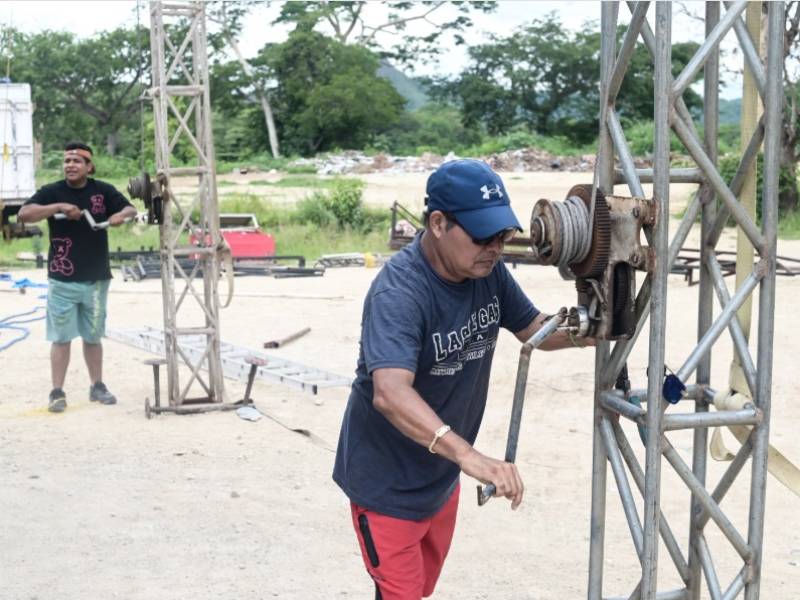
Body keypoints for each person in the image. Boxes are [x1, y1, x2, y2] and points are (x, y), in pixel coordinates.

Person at [333, 159, 593, 599]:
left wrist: (595, 329)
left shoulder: (488, 274)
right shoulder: (400, 292)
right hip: (387, 483)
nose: (494, 248)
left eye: (502, 236)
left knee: (419, 590)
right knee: (402, 594)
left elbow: (534, 329)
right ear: (438, 223)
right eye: (481, 237)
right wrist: (471, 457)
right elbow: (390, 393)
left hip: (439, 477)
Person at [18, 141, 137, 413]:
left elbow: (129, 209)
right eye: (67, 161)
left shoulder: (102, 190)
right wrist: (58, 206)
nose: (70, 165)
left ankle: (97, 386)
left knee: (93, 337)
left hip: (96, 280)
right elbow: (25, 214)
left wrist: (119, 215)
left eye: (77, 161)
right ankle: (57, 392)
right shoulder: (52, 191)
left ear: (89, 166)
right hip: (62, 280)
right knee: (61, 338)